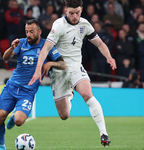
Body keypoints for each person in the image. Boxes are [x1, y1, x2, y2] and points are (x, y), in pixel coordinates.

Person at [29, 0, 117, 146]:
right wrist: (38, 70)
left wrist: (109, 57)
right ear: (66, 11)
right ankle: (69, 95)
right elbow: (45, 48)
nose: (74, 16)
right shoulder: (58, 25)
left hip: (76, 67)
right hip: (59, 70)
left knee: (88, 95)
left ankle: (104, 133)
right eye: (71, 13)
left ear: (81, 10)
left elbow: (100, 43)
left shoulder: (85, 24)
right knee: (64, 115)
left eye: (77, 13)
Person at [0, 19, 66, 150]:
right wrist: (11, 48)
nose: (28, 35)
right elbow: (5, 58)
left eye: (31, 32)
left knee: (19, 121)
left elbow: (63, 65)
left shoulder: (47, 46)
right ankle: (1, 145)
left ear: (39, 32)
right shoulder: (21, 43)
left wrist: (50, 63)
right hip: (12, 87)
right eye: (26, 31)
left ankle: (15, 115)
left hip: (27, 92)